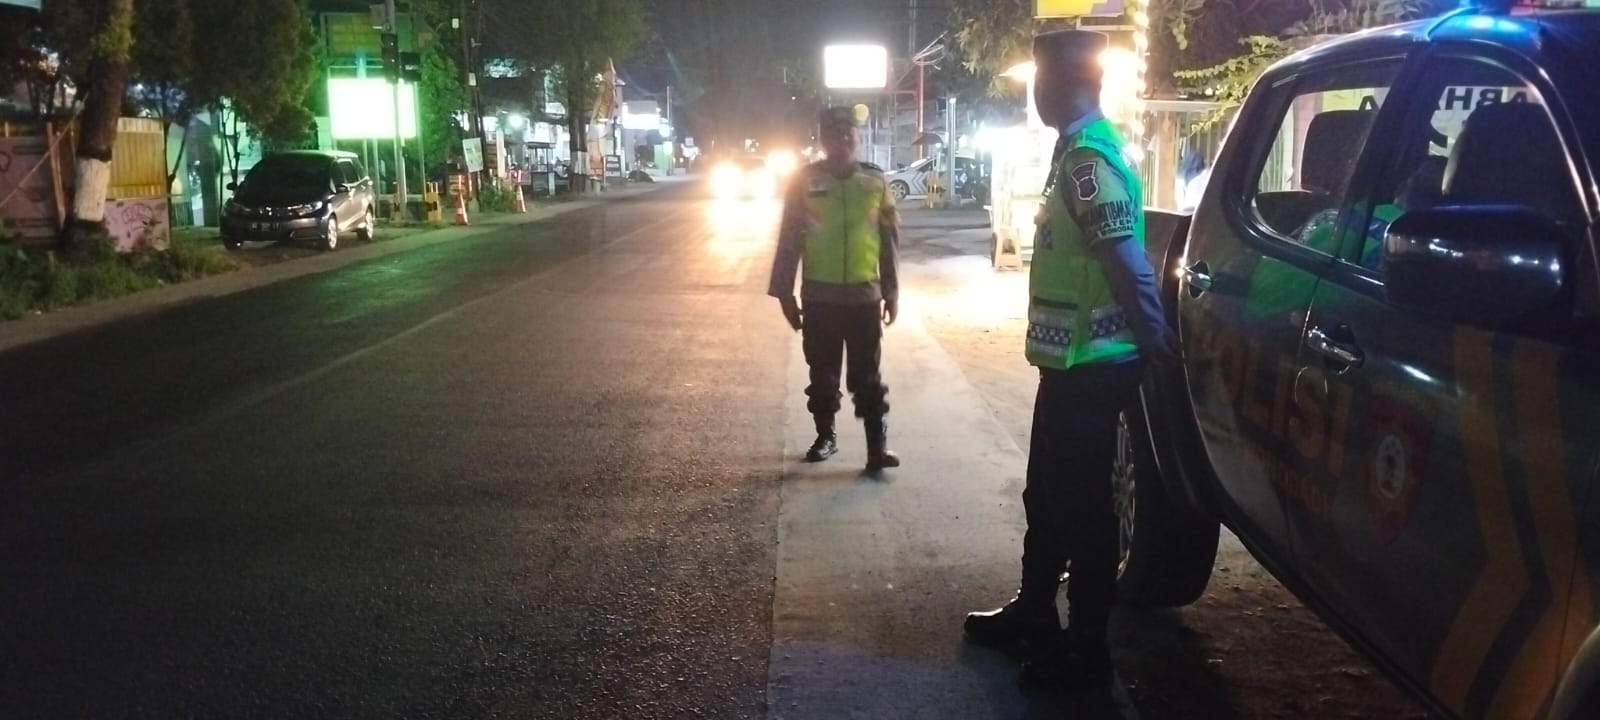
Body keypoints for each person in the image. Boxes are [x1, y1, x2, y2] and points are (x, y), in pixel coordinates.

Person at [963, 30, 1180, 690]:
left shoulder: (1088, 162)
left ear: (1059, 84)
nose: (1035, 92)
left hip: (1094, 365)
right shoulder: (1073, 154)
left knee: (1083, 508)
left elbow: (1126, 262)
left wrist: (1157, 342)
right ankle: (1035, 611)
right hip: (1067, 364)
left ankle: (1087, 649)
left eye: (1040, 80)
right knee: (1047, 494)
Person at [767, 106, 902, 471]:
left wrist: (891, 290)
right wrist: (783, 291)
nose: (842, 139)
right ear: (822, 139)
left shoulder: (875, 181)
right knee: (823, 375)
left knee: (867, 377)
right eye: (833, 133)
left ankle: (876, 447)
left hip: (864, 297)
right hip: (819, 298)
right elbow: (789, 237)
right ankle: (825, 436)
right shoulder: (803, 181)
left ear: (857, 137)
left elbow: (888, 239)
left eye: (848, 132)